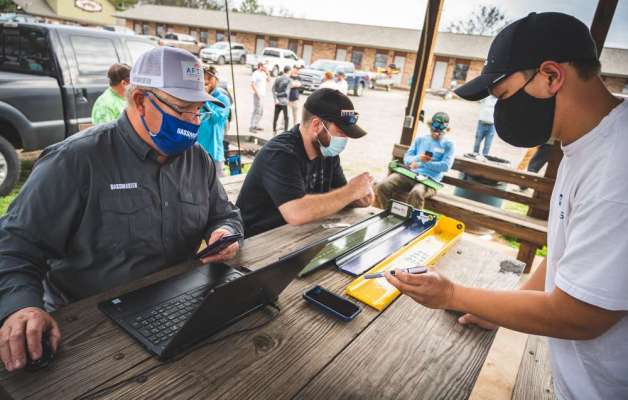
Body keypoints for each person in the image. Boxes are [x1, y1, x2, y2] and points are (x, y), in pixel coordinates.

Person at [384, 13, 628, 400]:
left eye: (503, 95)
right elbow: (566, 253)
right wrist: (496, 309)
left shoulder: (617, 168)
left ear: (551, 76)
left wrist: (452, 295)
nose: (502, 110)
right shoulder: (588, 139)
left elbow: (581, 316)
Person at [0, 47, 243, 372]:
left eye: (199, 111)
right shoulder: (75, 161)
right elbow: (14, 247)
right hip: (89, 328)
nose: (193, 123)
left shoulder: (197, 160)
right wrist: (22, 307)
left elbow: (225, 214)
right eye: (183, 110)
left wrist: (225, 232)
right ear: (140, 101)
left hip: (179, 309)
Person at [236, 88, 373, 237]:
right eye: (341, 133)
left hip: (298, 235)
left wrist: (357, 197)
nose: (345, 139)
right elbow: (296, 213)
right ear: (316, 125)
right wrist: (350, 192)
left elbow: (337, 194)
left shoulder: (327, 152)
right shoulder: (280, 153)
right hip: (257, 240)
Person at [375, 112, 454, 210]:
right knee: (382, 186)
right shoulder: (421, 139)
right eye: (435, 128)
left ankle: (412, 219)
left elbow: (445, 166)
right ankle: (388, 213)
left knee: (416, 193)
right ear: (430, 126)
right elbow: (407, 159)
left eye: (441, 130)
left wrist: (423, 163)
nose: (437, 133)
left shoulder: (448, 145)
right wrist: (418, 158)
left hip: (430, 181)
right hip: (411, 175)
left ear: (446, 129)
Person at [198, 64, 231, 176]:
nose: (206, 81)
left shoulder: (223, 99)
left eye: (209, 78)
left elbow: (215, 119)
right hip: (196, 150)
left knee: (217, 183)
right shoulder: (195, 97)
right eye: (203, 77)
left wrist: (204, 99)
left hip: (214, 152)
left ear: (216, 80)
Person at [250, 62, 269, 133]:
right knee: (256, 110)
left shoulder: (263, 73)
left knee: (261, 111)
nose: (265, 68)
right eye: (264, 67)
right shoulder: (256, 73)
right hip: (258, 95)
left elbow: (269, 80)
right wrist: (257, 94)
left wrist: (267, 72)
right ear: (260, 66)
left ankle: (256, 125)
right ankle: (252, 126)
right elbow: (252, 84)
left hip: (263, 95)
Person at [272, 66, 291, 135]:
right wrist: (280, 95)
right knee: (286, 118)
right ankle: (285, 132)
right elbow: (286, 92)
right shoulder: (289, 80)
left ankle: (274, 131)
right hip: (284, 102)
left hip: (277, 101)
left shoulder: (278, 78)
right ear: (288, 71)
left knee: (275, 117)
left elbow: (273, 89)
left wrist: (276, 98)